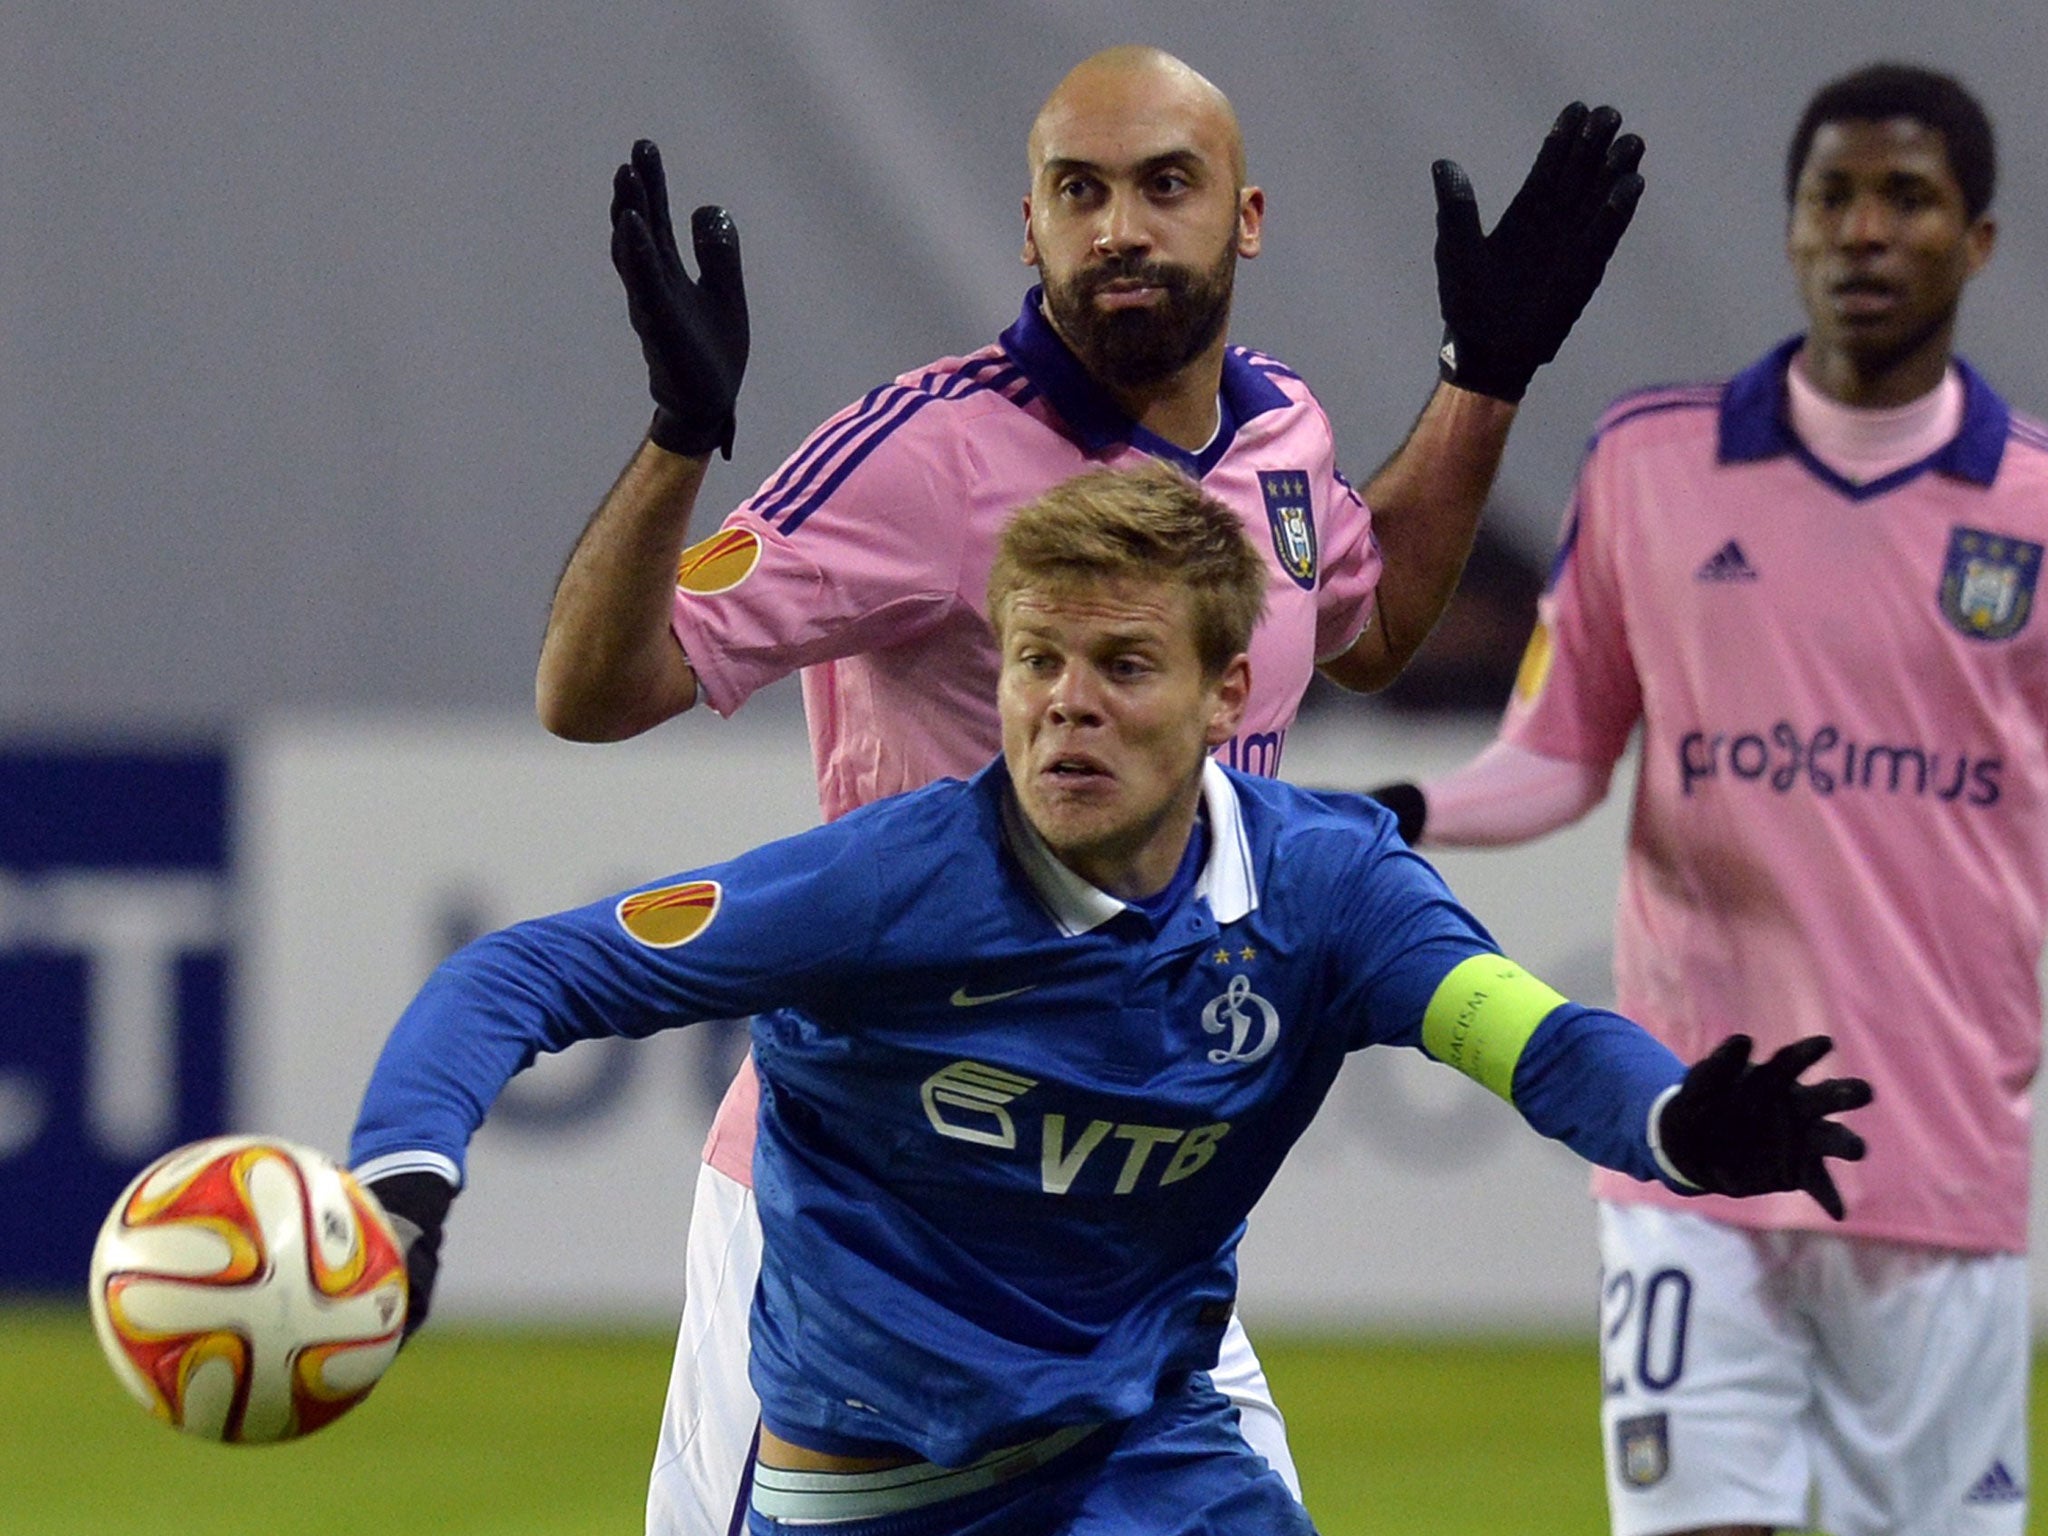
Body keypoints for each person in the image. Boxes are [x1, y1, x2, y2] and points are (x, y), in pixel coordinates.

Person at [523, 44, 1648, 1533]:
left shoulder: (1284, 438)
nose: (1121, 224)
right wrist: (677, 436)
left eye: (1164, 185)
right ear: (1031, 227)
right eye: (1081, 190)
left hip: (1127, 1216)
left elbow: (1366, 633)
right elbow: (591, 692)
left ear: (1245, 219)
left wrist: (1484, 380)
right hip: (864, 1220)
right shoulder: (920, 455)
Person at [352, 463, 1869, 1536]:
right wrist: (404, 1183)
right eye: (1035, 661)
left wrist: (1666, 1116)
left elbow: (1518, 1032)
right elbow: (525, 970)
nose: (1067, 701)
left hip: (1141, 1464)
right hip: (865, 1493)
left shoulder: (1326, 889)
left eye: (1123, 664)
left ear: (1225, 694)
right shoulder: (884, 889)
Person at [1368, 62, 2044, 1536]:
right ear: (1794, 229)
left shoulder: (2037, 513)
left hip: (1936, 1165)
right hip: (1692, 1138)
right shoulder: (1655, 462)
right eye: (1833, 197)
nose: (1865, 230)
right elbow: (1562, 752)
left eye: (1908, 199)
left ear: (1977, 239)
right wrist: (1404, 809)